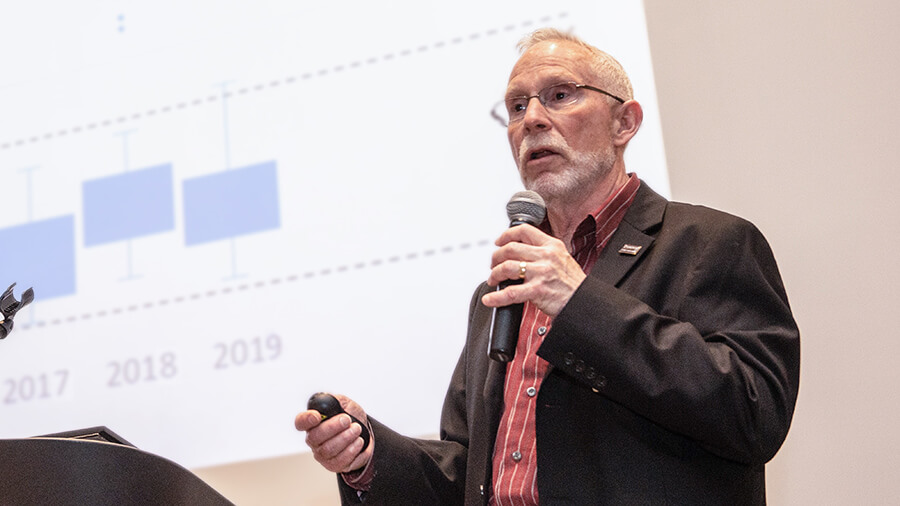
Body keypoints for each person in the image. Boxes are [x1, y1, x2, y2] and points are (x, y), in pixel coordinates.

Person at [295, 28, 800, 505]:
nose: (532, 118)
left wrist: (579, 302)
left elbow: (754, 413)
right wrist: (369, 456)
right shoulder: (500, 290)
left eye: (560, 95)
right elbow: (472, 475)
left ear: (624, 122)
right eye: (517, 106)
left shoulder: (709, 243)